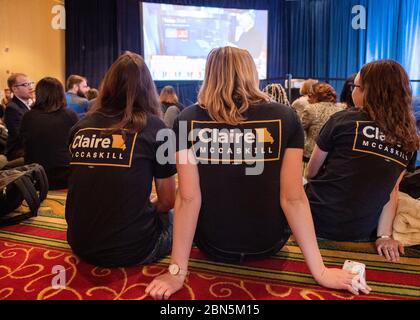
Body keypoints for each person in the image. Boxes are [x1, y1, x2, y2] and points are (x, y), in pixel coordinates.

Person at [146, 47, 369, 300]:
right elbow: (293, 198)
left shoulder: (187, 119)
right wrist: (320, 271)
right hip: (269, 244)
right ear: (251, 73)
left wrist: (176, 272)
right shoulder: (285, 116)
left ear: (210, 75)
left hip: (212, 245)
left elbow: (187, 199)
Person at [65, 52, 177, 267]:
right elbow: (167, 201)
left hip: (79, 242)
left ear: (108, 84)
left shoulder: (80, 126)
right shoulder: (157, 128)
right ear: (148, 88)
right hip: (133, 249)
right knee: (180, 213)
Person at [305, 60, 419, 262]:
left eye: (355, 87)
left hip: (314, 219)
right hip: (360, 231)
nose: (352, 92)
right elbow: (391, 190)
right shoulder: (409, 138)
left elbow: (311, 173)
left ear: (370, 91)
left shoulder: (343, 120)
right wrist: (384, 236)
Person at [20, 77, 79, 190]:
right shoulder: (70, 115)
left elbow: (24, 144)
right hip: (64, 176)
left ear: (39, 94)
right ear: (61, 94)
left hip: (36, 176)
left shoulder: (28, 117)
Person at [300, 83, 344, 161]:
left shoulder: (310, 109)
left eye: (310, 96)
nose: (307, 99)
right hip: (334, 155)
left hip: (312, 155)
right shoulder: (342, 108)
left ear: (316, 96)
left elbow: (299, 129)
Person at [4, 73, 34, 162]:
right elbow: (20, 136)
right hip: (17, 151)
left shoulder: (28, 105)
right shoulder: (12, 108)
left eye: (30, 83)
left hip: (27, 147)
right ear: (14, 89)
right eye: (25, 85)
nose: (30, 87)